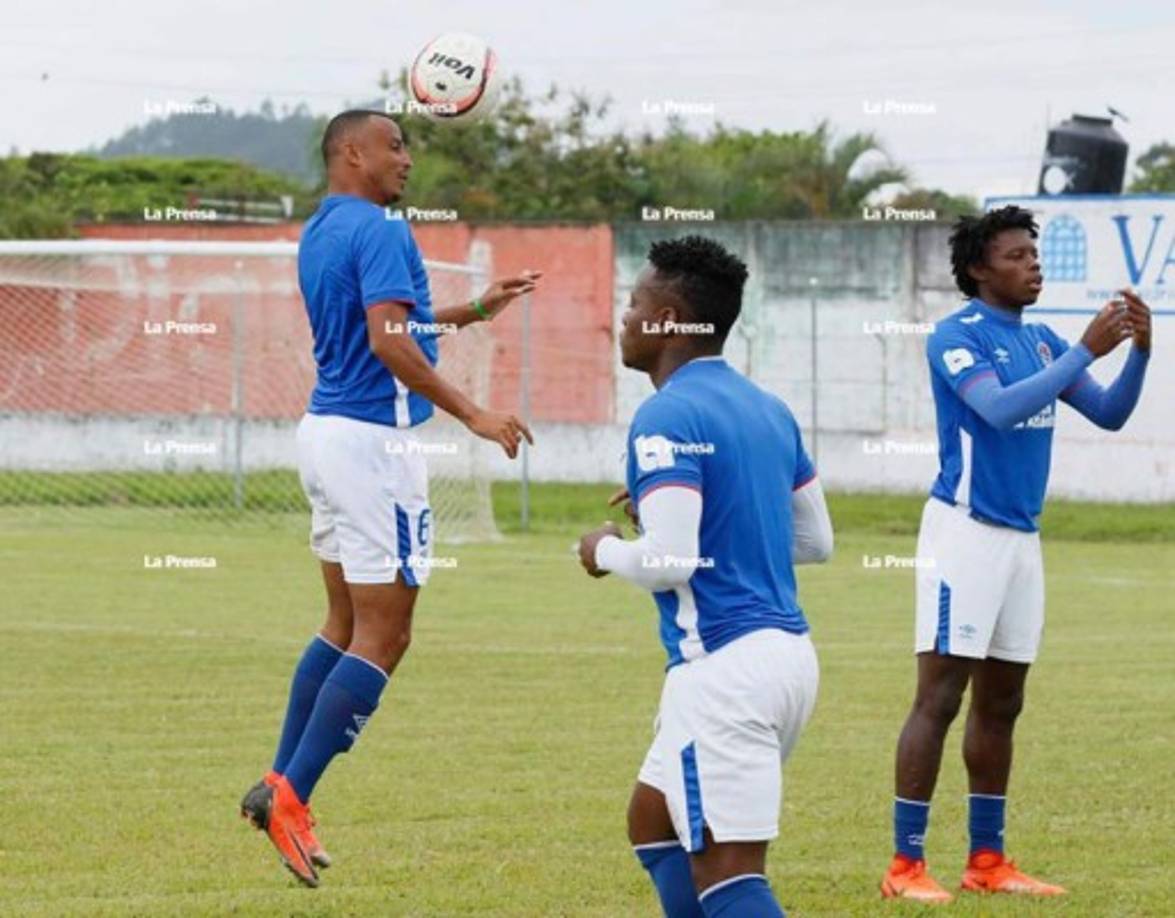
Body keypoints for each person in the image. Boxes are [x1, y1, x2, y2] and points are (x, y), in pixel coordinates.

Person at [240, 109, 538, 887]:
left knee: (342, 623)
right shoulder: (378, 228)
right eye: (394, 145)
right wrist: (473, 412)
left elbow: (393, 321)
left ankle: (277, 783)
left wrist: (473, 311)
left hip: (326, 435)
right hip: (375, 448)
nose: (407, 159)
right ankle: (292, 795)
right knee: (387, 633)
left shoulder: (325, 228)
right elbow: (387, 340)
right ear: (352, 152)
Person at [881, 205, 1151, 901]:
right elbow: (996, 408)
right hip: (963, 535)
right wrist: (1084, 351)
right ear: (978, 269)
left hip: (1021, 543)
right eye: (1015, 255)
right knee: (938, 698)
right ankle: (904, 866)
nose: (1032, 263)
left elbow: (1110, 413)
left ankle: (987, 862)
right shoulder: (954, 337)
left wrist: (1140, 352)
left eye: (1034, 253)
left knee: (1002, 703)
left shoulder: (1041, 344)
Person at [578, 235, 834, 917]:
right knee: (652, 822)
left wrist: (601, 548)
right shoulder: (766, 408)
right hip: (787, 662)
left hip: (723, 671)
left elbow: (668, 562)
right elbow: (814, 541)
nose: (623, 318)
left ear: (667, 320)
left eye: (633, 303)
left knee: (729, 876)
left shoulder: (664, 412)